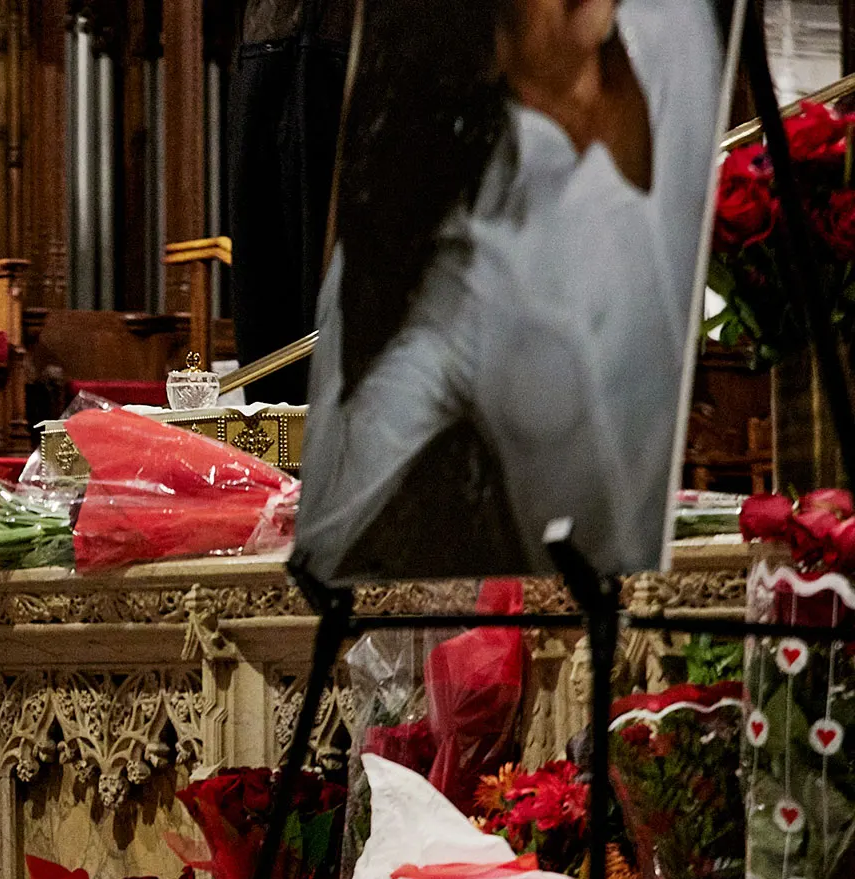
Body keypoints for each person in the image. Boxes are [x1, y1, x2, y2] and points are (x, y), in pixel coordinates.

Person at [296, 0, 726, 584]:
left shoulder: (683, 29)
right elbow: (335, 511)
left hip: (705, 574)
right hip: (579, 633)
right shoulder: (464, 276)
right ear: (484, 41)